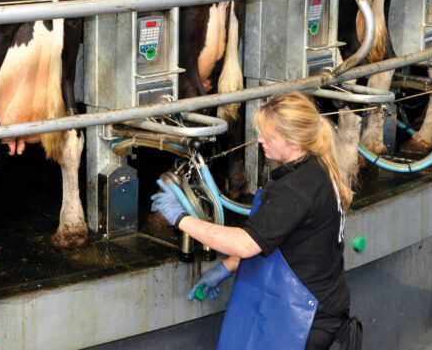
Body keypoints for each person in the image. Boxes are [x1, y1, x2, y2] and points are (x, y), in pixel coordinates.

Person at [150, 92, 362, 350]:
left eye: (268, 136)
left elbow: (246, 244)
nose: (260, 140)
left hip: (303, 317)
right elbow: (288, 240)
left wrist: (180, 218)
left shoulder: (295, 189)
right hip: (318, 304)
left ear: (294, 141)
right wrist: (227, 267)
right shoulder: (314, 168)